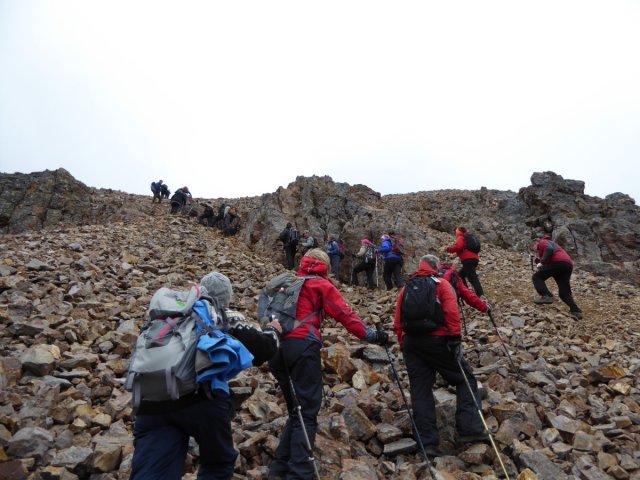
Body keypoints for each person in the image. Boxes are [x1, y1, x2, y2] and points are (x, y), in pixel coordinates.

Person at [131, 272, 282, 480]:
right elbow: (262, 348)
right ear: (227, 298)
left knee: (154, 470)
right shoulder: (220, 314)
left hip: (152, 398)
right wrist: (273, 331)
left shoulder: (173, 313)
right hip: (200, 397)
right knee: (218, 464)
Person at [268, 249, 388, 480]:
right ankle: (299, 473)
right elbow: (344, 314)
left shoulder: (289, 282)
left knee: (296, 410)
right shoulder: (321, 285)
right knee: (307, 411)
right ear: (324, 265)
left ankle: (279, 468)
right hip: (303, 347)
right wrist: (371, 336)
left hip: (275, 348)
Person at [393, 254, 487, 455]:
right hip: (437, 340)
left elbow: (398, 320)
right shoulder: (441, 284)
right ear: (435, 267)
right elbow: (452, 311)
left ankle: (427, 443)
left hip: (412, 343)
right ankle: (470, 428)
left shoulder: (406, 288)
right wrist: (455, 338)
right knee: (465, 378)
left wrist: (403, 343)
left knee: (420, 389)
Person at [532, 234, 582, 320]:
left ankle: (546, 296)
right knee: (564, 292)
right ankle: (575, 310)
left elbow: (549, 249)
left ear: (535, 243)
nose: (534, 250)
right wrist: (538, 262)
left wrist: (542, 262)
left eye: (532, 247)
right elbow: (547, 262)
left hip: (558, 262)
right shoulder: (550, 246)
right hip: (567, 265)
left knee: (537, 277)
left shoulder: (542, 242)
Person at [445, 227, 485, 297]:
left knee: (473, 278)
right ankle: (466, 292)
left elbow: (458, 247)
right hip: (474, 259)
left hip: (467, 260)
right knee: (460, 275)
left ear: (458, 232)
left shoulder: (461, 237)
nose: (456, 234)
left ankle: (480, 295)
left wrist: (448, 249)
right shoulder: (468, 237)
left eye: (456, 232)